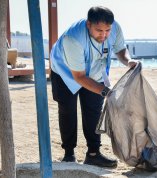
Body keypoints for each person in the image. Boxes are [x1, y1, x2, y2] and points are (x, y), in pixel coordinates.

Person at [50, 6, 137, 168]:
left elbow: (120, 49)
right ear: (88, 24)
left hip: (95, 71)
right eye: (99, 30)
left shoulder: (115, 27)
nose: (104, 35)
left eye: (107, 31)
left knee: (93, 111)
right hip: (64, 72)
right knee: (68, 110)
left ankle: (93, 154)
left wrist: (128, 61)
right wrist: (106, 91)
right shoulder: (73, 38)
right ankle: (69, 154)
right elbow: (80, 77)